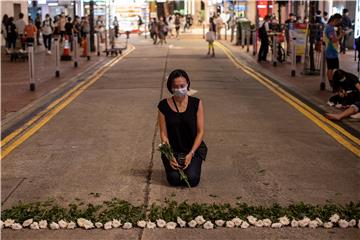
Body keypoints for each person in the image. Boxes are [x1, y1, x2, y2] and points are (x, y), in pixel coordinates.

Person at [157, 69, 206, 187]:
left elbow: (200, 132)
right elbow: (164, 134)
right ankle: (175, 164)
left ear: (188, 84)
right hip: (173, 150)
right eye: (175, 86)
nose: (179, 89)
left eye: (182, 86)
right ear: (170, 87)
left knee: (192, 180)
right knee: (174, 180)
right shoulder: (163, 105)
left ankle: (190, 164)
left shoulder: (196, 103)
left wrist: (191, 153)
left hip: (192, 150)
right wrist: (169, 155)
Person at [323, 13, 344, 88]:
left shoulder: (329, 27)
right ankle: (333, 85)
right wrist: (341, 35)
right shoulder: (330, 28)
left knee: (331, 68)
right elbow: (334, 40)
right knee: (333, 69)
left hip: (331, 51)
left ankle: (333, 85)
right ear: (336, 20)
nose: (339, 23)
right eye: (339, 21)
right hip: (331, 52)